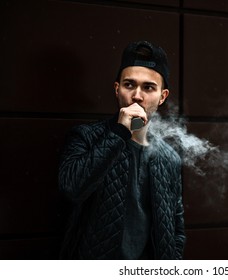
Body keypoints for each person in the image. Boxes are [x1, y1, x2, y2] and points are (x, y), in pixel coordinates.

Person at [58, 40, 185, 259]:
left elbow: (177, 228)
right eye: (129, 85)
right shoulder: (86, 137)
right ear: (117, 90)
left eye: (148, 87)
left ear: (162, 97)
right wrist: (119, 134)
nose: (137, 95)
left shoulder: (169, 157)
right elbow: (72, 188)